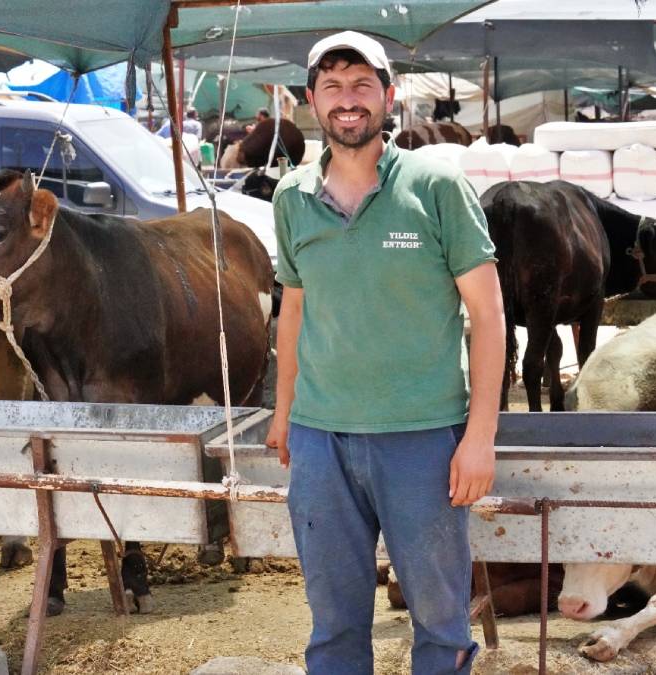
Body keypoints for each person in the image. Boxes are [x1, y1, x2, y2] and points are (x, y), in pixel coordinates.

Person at [265, 31, 504, 675]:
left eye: (362, 85)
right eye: (333, 87)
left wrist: (479, 436)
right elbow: (294, 308)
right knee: (334, 624)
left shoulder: (435, 187)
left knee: (438, 621)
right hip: (321, 439)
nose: (349, 101)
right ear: (311, 100)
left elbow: (488, 316)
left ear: (388, 97)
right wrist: (285, 411)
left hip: (422, 438)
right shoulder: (290, 198)